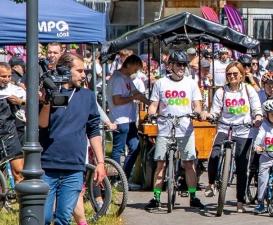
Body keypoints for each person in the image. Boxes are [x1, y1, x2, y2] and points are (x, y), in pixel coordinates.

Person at [38, 53, 106, 225]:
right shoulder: (48, 93)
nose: (83, 75)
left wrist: (100, 162)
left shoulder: (87, 96)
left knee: (63, 221)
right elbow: (42, 125)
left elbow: (93, 129)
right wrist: (47, 100)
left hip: (74, 167)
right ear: (65, 71)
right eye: (80, 71)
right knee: (43, 219)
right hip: (47, 166)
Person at [146, 50, 204, 212]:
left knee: (189, 163)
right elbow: (153, 105)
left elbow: (197, 105)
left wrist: (197, 112)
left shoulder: (191, 83)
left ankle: (193, 197)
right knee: (161, 164)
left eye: (184, 65)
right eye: (179, 64)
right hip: (165, 128)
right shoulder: (161, 83)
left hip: (185, 129)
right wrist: (151, 114)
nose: (182, 68)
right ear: (170, 65)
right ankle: (156, 198)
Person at [203, 62, 262, 212]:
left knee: (242, 166)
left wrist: (257, 117)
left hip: (244, 130)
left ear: (241, 75)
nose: (232, 76)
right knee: (214, 154)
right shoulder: (221, 91)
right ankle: (211, 183)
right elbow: (215, 110)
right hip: (225, 127)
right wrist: (212, 115)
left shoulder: (248, 90)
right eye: (229, 74)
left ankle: (240, 201)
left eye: (235, 73)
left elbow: (257, 108)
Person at [107, 54, 147, 178]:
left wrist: (152, 104)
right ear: (128, 65)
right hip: (120, 119)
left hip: (129, 119)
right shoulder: (118, 79)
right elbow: (116, 100)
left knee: (135, 147)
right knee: (118, 150)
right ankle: (116, 178)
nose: (135, 72)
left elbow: (137, 93)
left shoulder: (126, 78)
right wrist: (134, 97)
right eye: (135, 69)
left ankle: (124, 177)